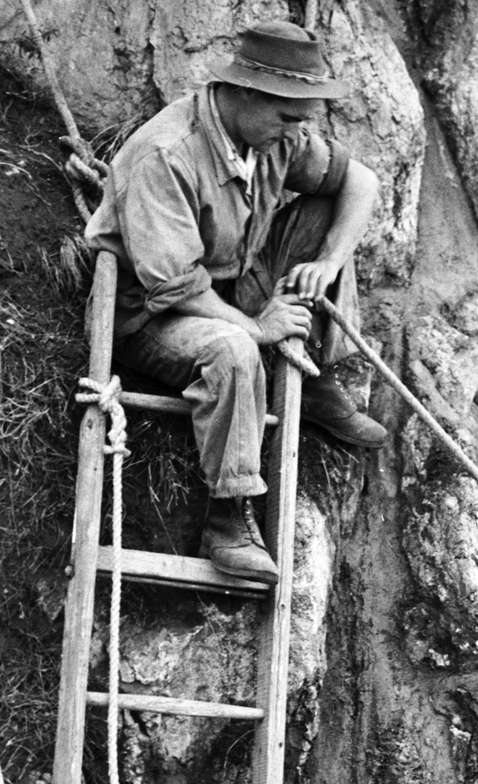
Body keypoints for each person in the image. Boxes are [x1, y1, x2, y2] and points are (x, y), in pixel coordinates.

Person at [85, 21, 388, 581]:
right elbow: (174, 286)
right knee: (231, 350)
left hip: (231, 278)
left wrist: (327, 262)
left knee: (326, 216)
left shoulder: (267, 135)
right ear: (246, 92)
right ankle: (227, 516)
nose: (296, 131)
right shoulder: (166, 154)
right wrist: (259, 327)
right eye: (288, 117)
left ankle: (315, 383)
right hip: (154, 312)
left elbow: (361, 183)